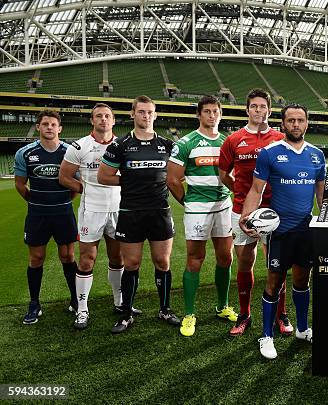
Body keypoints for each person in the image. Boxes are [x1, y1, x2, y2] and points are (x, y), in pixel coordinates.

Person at [239, 104, 325, 359]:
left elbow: (321, 192)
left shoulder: (317, 155)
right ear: (283, 124)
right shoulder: (269, 153)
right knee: (274, 282)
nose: (296, 125)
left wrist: (327, 222)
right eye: (291, 120)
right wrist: (247, 217)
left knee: (301, 281)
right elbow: (257, 190)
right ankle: (267, 335)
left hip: (305, 230)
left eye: (300, 120)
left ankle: (301, 328)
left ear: (307, 123)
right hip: (280, 231)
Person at [98, 95, 180, 333]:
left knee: (162, 262)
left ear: (155, 115)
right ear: (133, 114)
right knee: (131, 263)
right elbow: (103, 176)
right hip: (131, 212)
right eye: (141, 112)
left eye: (150, 112)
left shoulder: (167, 145)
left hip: (160, 211)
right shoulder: (120, 145)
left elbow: (178, 174)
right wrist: (129, 181)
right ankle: (126, 314)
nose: (145, 116)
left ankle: (165, 309)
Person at [59, 103, 141, 330]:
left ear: (114, 121)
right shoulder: (80, 146)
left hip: (118, 209)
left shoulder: (124, 145)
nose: (103, 119)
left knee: (118, 259)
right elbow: (64, 177)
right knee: (87, 260)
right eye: (98, 116)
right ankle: (82, 310)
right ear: (92, 121)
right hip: (91, 210)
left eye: (107, 116)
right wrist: (87, 189)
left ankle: (119, 302)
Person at [218, 88, 292, 337]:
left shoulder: (281, 138)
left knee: (276, 263)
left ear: (269, 111)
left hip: (275, 211)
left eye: (263, 107)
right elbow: (223, 174)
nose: (258, 111)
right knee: (245, 261)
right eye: (254, 106)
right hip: (242, 210)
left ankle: (281, 314)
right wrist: (240, 193)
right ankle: (244, 314)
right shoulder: (233, 139)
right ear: (247, 109)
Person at [166, 95, 237, 337]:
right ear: (199, 115)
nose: (211, 115)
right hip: (198, 207)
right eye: (206, 111)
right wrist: (189, 202)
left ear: (220, 114)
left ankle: (222, 306)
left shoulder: (229, 142)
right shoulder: (186, 143)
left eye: (215, 111)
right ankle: (189, 313)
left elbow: (233, 174)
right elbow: (173, 179)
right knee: (195, 258)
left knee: (225, 257)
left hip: (224, 205)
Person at [14, 110, 79, 325]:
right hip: (37, 215)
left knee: (68, 257)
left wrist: (62, 201)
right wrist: (36, 201)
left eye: (53, 124)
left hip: (63, 213)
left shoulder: (70, 152)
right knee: (36, 258)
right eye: (45, 124)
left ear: (60, 128)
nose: (49, 127)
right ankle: (34, 304)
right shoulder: (25, 153)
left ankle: (75, 300)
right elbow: (20, 185)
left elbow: (75, 185)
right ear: (39, 127)